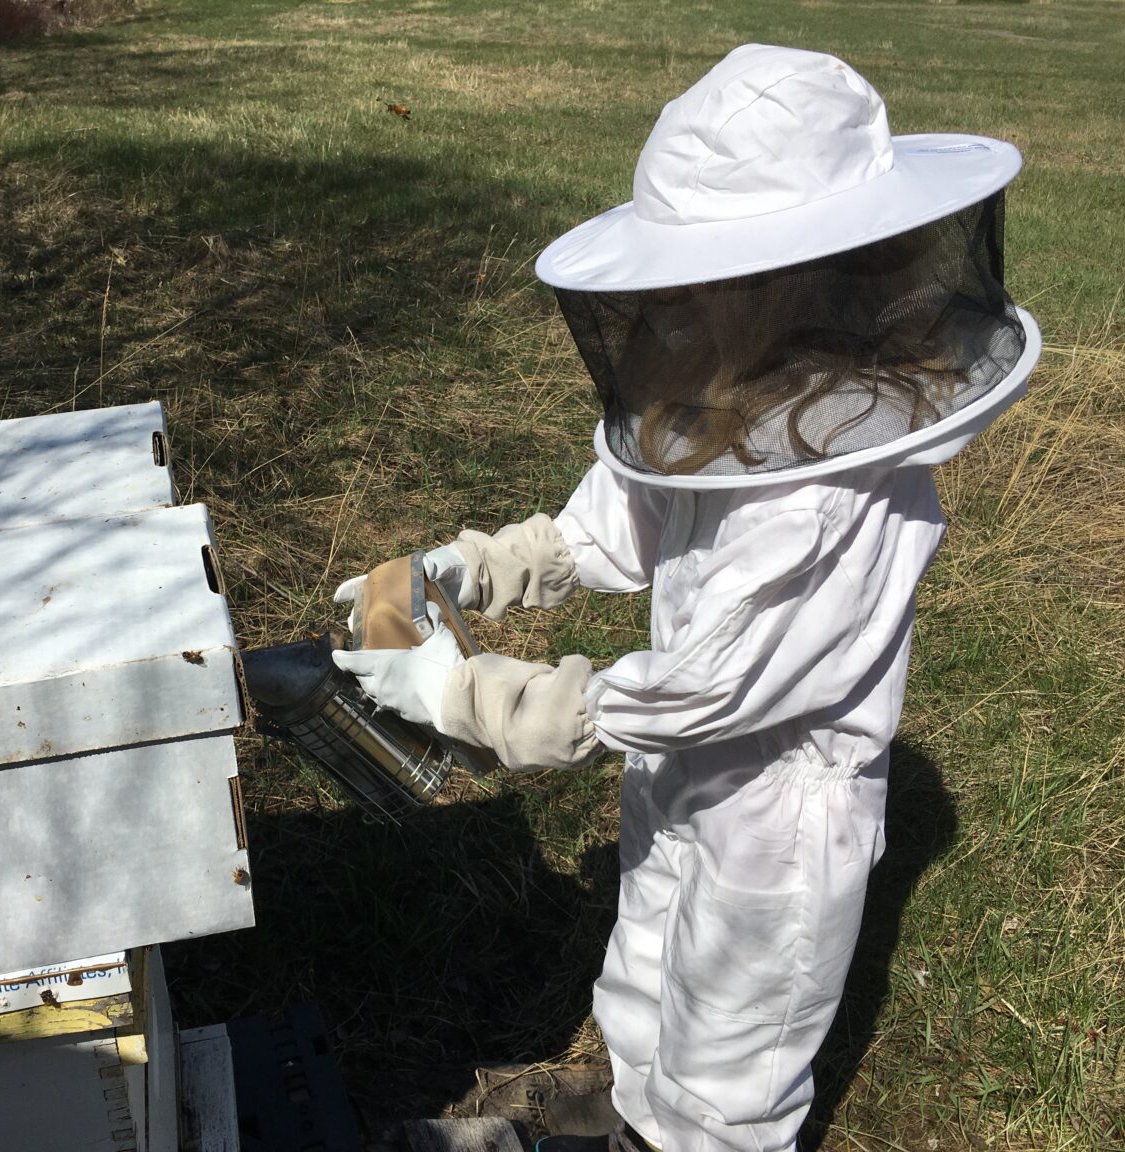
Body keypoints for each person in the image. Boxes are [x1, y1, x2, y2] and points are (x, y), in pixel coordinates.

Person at [330, 44, 1040, 1152]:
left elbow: (716, 688)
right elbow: (620, 514)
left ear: (795, 282)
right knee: (651, 945)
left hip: (781, 814)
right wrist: (479, 567)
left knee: (735, 1045)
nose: (666, 313)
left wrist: (485, 701)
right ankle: (624, 1113)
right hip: (682, 766)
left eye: (696, 289)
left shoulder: (846, 488)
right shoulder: (726, 384)